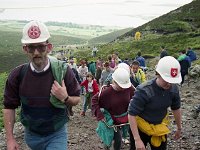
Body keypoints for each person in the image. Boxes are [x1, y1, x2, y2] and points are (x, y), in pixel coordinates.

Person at [2, 20, 81, 150]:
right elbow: (9, 107)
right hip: (31, 136)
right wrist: (10, 139)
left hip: (57, 133)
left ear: (49, 47)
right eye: (31, 47)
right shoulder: (17, 75)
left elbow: (77, 99)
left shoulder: (63, 70)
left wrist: (65, 98)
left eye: (41, 46)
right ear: (25, 49)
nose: (36, 52)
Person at [128, 56, 182, 150]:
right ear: (158, 74)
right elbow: (131, 114)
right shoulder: (144, 91)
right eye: (166, 80)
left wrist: (179, 128)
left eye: (172, 81)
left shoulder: (173, 89)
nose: (169, 84)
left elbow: (176, 108)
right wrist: (137, 139)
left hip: (159, 127)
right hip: (140, 128)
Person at [92, 68, 135, 150]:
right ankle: (107, 146)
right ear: (114, 81)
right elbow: (94, 100)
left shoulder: (129, 89)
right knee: (115, 139)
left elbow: (136, 96)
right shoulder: (106, 92)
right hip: (111, 119)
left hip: (123, 118)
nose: (123, 88)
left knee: (119, 139)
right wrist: (99, 114)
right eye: (121, 86)